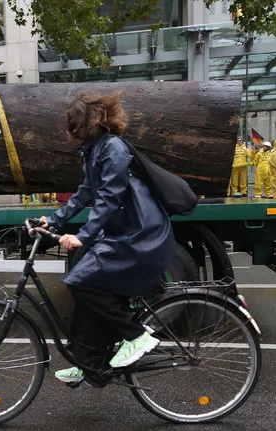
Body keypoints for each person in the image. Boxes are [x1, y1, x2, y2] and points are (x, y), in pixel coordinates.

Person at [39, 90, 175, 383]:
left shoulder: (113, 149)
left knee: (79, 282)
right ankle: (88, 362)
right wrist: (52, 221)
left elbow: (110, 198)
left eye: (71, 123)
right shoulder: (96, 148)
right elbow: (85, 193)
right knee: (87, 289)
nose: (67, 129)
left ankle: (137, 337)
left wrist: (83, 236)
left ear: (84, 124)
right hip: (126, 235)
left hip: (140, 237)